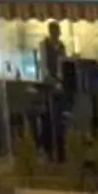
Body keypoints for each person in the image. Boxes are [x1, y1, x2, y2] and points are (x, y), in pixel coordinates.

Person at [39, 21, 69, 162]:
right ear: (51, 32)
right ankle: (49, 150)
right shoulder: (44, 46)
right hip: (48, 87)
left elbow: (63, 64)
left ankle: (60, 151)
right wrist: (52, 80)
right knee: (48, 119)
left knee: (60, 120)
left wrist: (62, 79)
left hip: (60, 87)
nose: (58, 34)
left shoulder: (61, 46)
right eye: (56, 31)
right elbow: (44, 66)